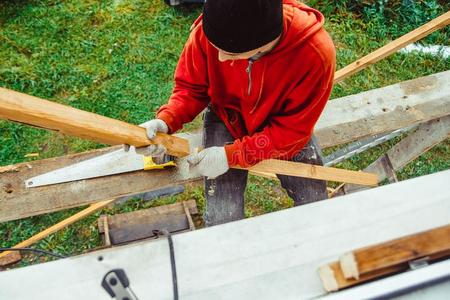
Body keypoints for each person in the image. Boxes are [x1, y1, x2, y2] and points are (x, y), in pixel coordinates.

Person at [140, 0, 336, 226]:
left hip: (282, 125)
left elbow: (292, 131)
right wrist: (166, 120)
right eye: (216, 48)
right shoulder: (210, 29)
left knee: (315, 204)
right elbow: (191, 88)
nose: (221, 59)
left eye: (230, 52)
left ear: (262, 45)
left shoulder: (314, 53)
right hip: (226, 116)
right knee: (223, 219)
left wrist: (231, 155)